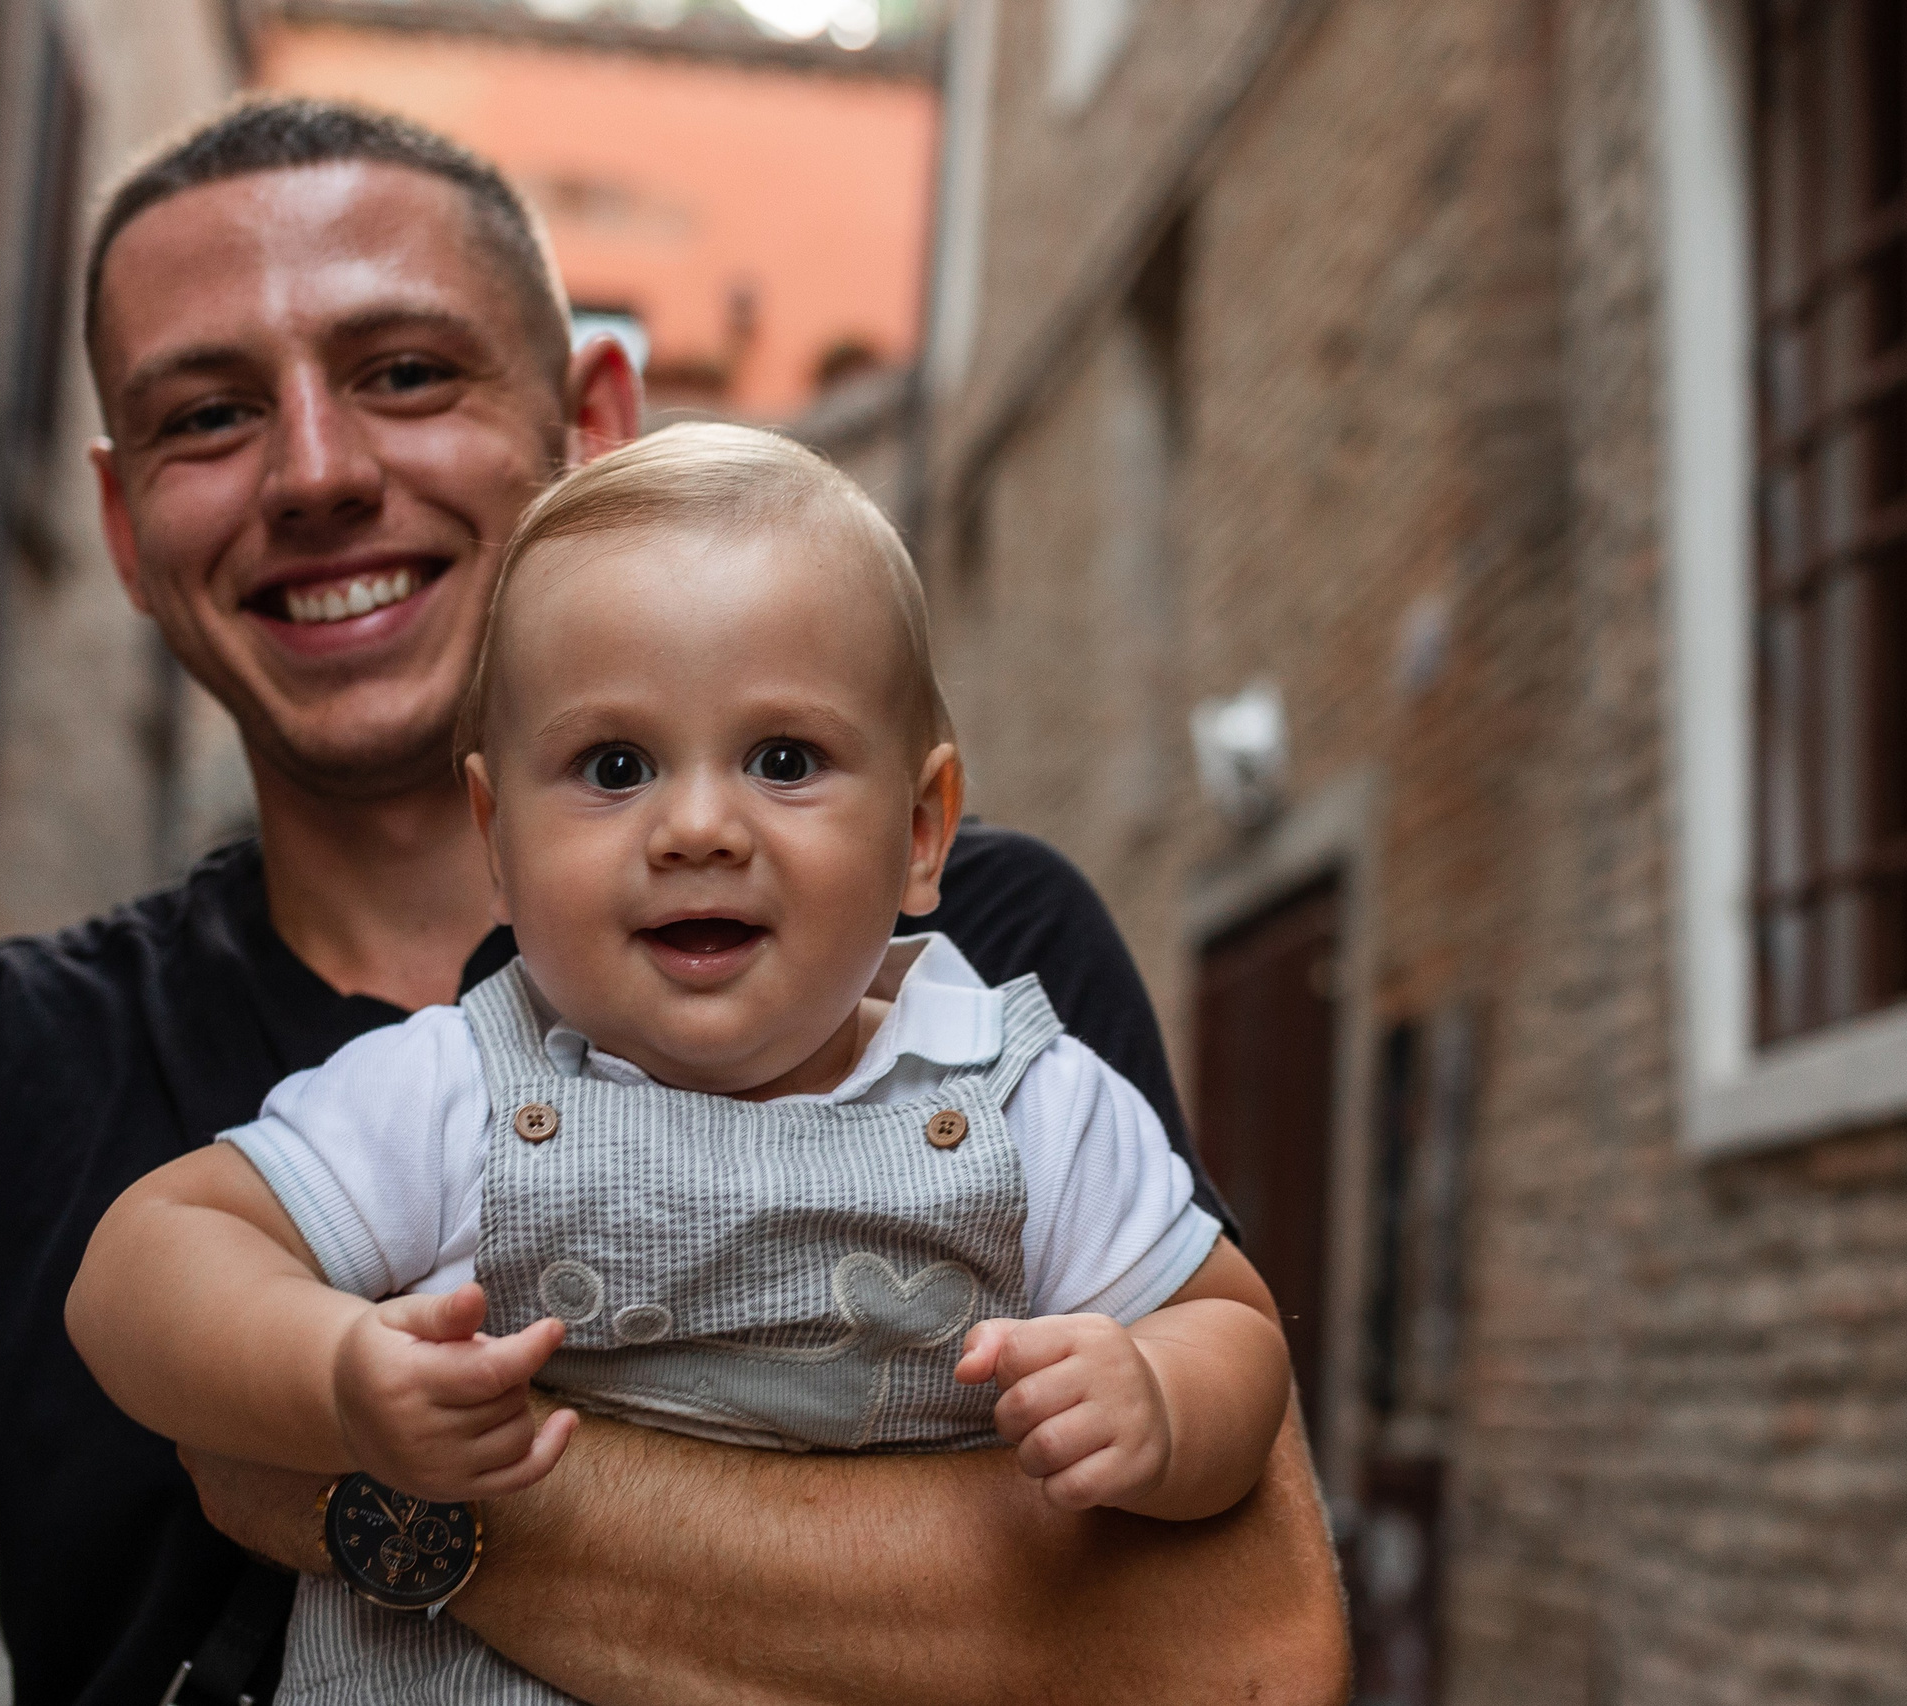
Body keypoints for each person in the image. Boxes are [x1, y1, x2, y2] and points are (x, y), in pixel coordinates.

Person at [0, 99, 1348, 1706]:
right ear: (121, 526)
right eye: (206, 414)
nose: (318, 471)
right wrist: (335, 1377)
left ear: (596, 429)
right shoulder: (4, 1083)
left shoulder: (983, 986)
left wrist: (344, 1496)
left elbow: (1244, 1650)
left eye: (407, 371)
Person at [66, 424, 1296, 1704]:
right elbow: (140, 1263)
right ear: (497, 838)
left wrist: (1156, 1400)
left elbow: (1231, 1327)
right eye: (614, 767)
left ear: (923, 831)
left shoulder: (1024, 1100)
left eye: (783, 759)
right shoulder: (455, 1091)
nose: (698, 827)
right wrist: (329, 1369)